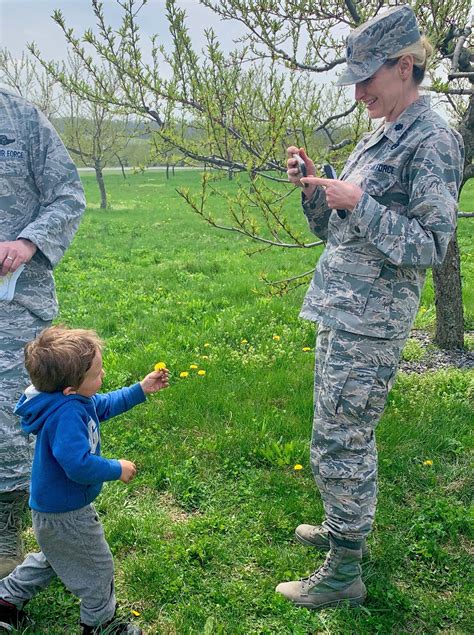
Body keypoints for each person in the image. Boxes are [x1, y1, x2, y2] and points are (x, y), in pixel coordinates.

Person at [276, 5, 464, 610]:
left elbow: (432, 246)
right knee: (332, 429)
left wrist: (358, 200)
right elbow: (338, 231)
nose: (358, 93)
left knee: (343, 438)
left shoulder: (434, 137)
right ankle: (341, 526)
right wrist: (319, 186)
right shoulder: (383, 129)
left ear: (404, 66)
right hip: (340, 307)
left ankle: (343, 573)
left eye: (367, 79)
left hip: (374, 319)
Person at [0, 326, 170, 634]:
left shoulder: (73, 400)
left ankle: (5, 600)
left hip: (53, 510)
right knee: (95, 566)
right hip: (66, 513)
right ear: (70, 390)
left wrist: (141, 389)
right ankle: (100, 622)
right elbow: (77, 466)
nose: (102, 374)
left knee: (56, 557)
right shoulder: (66, 415)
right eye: (96, 373)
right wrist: (114, 468)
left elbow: (102, 405)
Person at [0, 88, 86, 577]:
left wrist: (29, 241)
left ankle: (5, 527)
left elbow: (67, 195)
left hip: (14, 302)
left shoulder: (22, 119)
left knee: (9, 416)